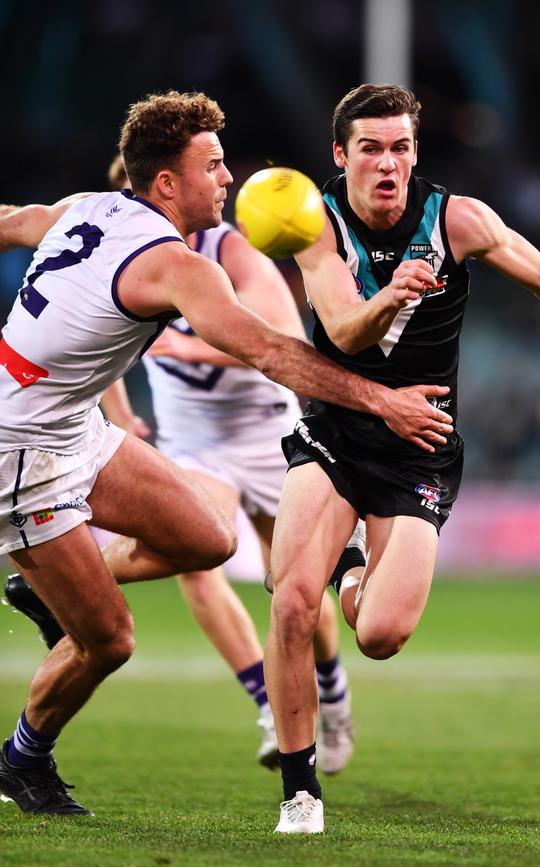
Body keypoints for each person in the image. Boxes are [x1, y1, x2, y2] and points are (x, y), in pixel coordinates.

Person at [0, 89, 454, 816]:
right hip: (19, 454)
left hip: (71, 425)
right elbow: (273, 351)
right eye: (211, 165)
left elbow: (13, 221)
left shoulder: (89, 206)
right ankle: (23, 758)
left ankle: (45, 589)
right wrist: (381, 400)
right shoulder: (175, 265)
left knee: (209, 537)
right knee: (112, 639)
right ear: (167, 183)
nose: (227, 179)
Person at [262, 83, 540, 833]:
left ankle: (352, 572)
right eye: (369, 148)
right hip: (336, 436)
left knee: (380, 635)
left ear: (416, 152)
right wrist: (393, 294)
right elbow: (342, 330)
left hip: (421, 451)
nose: (387, 163)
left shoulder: (457, 219)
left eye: (400, 146)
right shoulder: (316, 221)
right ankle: (300, 791)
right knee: (288, 600)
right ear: (340, 156)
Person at [6, 153, 361, 773]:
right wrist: (123, 411)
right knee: (192, 562)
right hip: (188, 441)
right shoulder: (126, 248)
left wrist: (187, 338)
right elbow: (90, 340)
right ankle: (262, 700)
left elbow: (277, 340)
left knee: (297, 588)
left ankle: (331, 690)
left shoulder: (225, 253)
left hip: (268, 432)